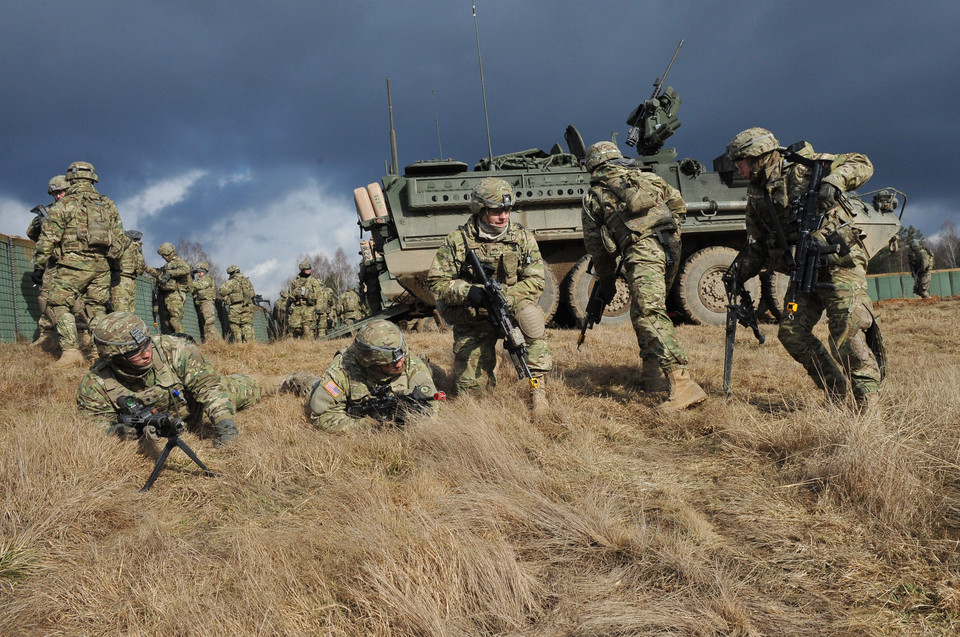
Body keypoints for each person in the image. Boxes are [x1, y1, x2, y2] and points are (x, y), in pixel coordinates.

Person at [725, 127, 883, 410]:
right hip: (804, 271)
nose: (740, 169)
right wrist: (738, 274)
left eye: (742, 162)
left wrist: (834, 182)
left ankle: (868, 404)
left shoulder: (806, 168)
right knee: (791, 331)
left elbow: (862, 162)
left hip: (839, 265)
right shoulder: (757, 195)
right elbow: (759, 245)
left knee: (845, 333)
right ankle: (836, 392)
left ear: (759, 156)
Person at [581, 141, 707, 413]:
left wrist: (606, 283)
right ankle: (652, 377)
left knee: (650, 312)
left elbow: (598, 249)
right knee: (643, 310)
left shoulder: (594, 196)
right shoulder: (648, 177)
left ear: (592, 166)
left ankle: (683, 384)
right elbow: (678, 205)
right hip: (670, 246)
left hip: (642, 250)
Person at [426, 177, 552, 416]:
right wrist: (469, 292)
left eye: (507, 209)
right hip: (472, 318)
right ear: (480, 208)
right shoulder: (457, 241)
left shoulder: (522, 237)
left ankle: (538, 391)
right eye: (496, 210)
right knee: (472, 393)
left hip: (510, 309)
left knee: (532, 319)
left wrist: (506, 297)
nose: (503, 216)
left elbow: (536, 281)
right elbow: (436, 283)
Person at [76, 312, 286, 446]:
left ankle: (291, 380)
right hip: (166, 422)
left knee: (250, 388)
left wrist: (225, 426)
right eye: (134, 353)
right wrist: (115, 432)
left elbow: (209, 388)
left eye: (146, 344)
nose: (146, 353)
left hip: (197, 404)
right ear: (114, 357)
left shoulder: (174, 349)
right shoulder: (96, 383)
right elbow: (93, 424)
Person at [32, 161, 126, 367]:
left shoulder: (65, 204)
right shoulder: (107, 204)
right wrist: (112, 264)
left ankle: (71, 352)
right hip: (101, 267)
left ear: (71, 179)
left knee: (57, 304)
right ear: (93, 178)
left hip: (72, 265)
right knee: (97, 309)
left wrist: (39, 266)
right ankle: (98, 354)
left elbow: (48, 237)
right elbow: (120, 238)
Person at [282, 320, 439, 433]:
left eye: (401, 358)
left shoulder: (408, 360)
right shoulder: (341, 371)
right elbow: (323, 416)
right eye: (389, 364)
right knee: (310, 386)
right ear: (370, 363)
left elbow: (431, 406)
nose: (399, 364)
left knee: (436, 373)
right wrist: (367, 426)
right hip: (342, 399)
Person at [28, 175, 69, 352]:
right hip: (53, 263)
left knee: (79, 302)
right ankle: (47, 336)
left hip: (78, 262)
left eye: (61, 192)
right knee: (45, 297)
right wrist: (39, 225)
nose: (58, 196)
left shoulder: (79, 208)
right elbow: (32, 234)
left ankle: (83, 337)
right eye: (55, 193)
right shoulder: (49, 210)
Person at [145, 242, 191, 333]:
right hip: (168, 295)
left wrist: (170, 273)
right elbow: (158, 273)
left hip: (176, 294)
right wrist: (146, 268)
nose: (163, 257)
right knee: (167, 322)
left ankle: (184, 341)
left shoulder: (177, 262)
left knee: (174, 319)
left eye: (163, 255)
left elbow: (186, 269)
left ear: (168, 253)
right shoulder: (168, 265)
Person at [286, 261, 324, 339]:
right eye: (307, 269)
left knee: (307, 329)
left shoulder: (313, 281)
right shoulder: (295, 281)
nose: (309, 270)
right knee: (294, 328)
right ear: (303, 270)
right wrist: (290, 303)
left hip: (309, 308)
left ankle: (306, 346)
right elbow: (289, 294)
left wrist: (318, 307)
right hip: (297, 307)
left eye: (310, 268)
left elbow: (320, 296)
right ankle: (296, 346)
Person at [111, 230, 146, 313]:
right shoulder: (137, 249)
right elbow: (140, 268)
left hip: (120, 279)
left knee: (121, 312)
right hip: (132, 280)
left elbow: (114, 259)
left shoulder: (124, 244)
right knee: (131, 312)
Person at [218, 265, 256, 342]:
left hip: (236, 307)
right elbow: (253, 293)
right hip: (248, 305)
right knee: (247, 324)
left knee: (235, 325)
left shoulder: (232, 282)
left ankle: (238, 344)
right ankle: (250, 344)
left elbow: (222, 291)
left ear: (231, 273)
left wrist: (227, 297)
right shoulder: (247, 281)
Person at [191, 262, 222, 342]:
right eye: (198, 272)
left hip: (207, 302)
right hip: (201, 303)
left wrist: (190, 283)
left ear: (204, 271)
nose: (198, 273)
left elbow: (202, 285)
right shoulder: (198, 280)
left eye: (200, 272)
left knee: (209, 323)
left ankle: (218, 341)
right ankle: (210, 341)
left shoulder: (207, 278)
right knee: (205, 324)